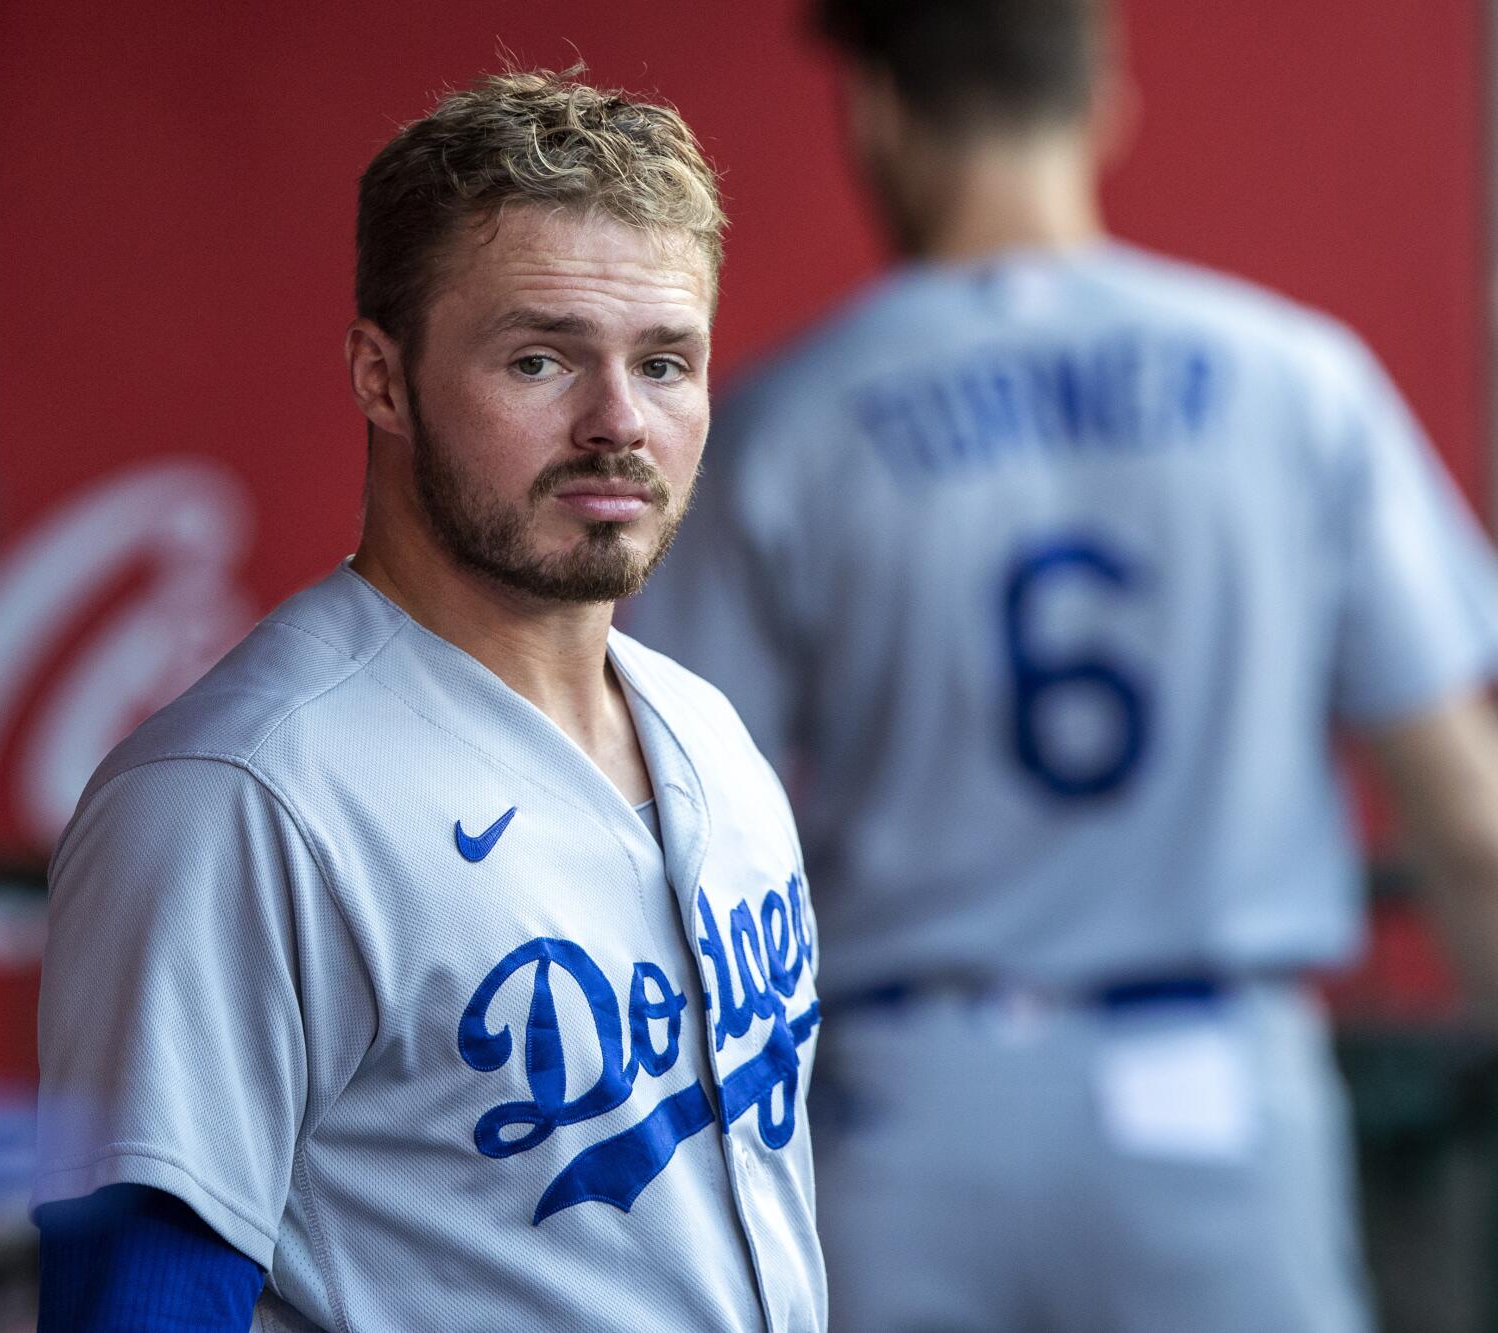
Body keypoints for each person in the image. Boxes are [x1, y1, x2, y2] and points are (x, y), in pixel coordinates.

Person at [621, 2, 1498, 1329]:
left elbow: (655, 832)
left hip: (912, 1111)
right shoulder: (1300, 381)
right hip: (1223, 1091)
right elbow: (1473, 831)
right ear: (1105, 102)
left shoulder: (786, 420)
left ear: (878, 115)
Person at [33, 69, 826, 1332]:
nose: (617, 422)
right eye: (538, 358)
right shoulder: (239, 802)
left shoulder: (710, 736)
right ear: (380, 378)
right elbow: (138, 1300)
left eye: (664, 363)